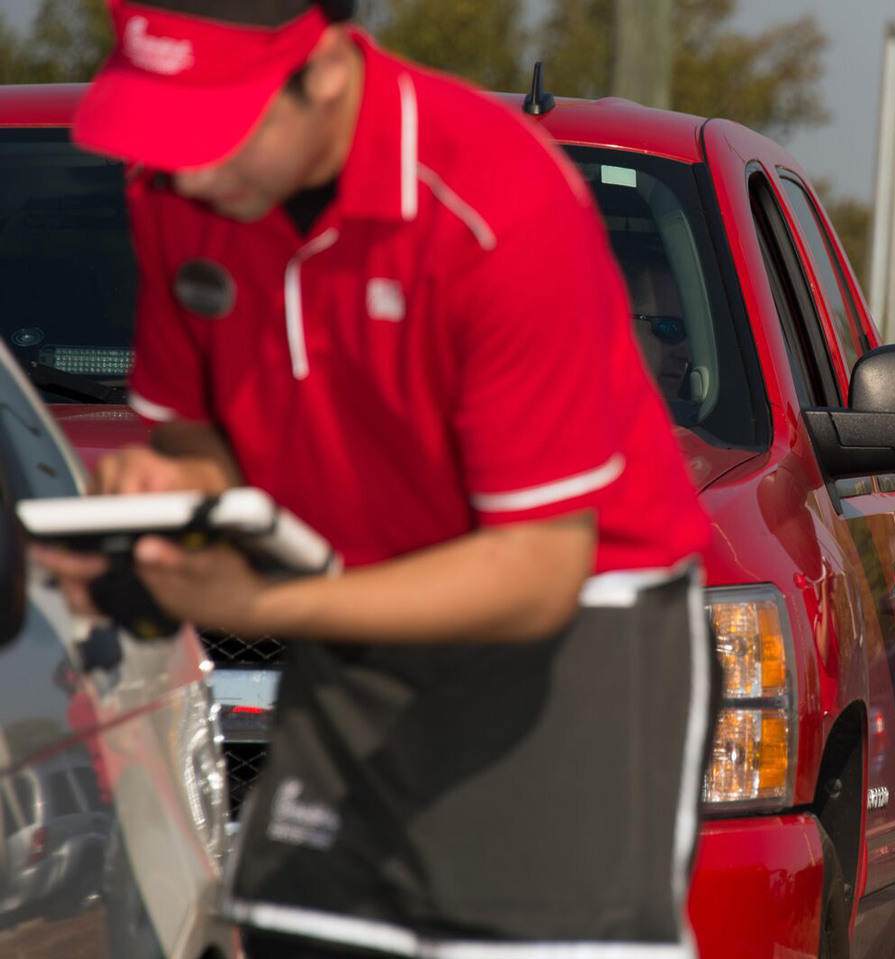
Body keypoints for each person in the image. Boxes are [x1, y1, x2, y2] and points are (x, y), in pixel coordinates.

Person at [42, 1, 715, 956]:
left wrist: (263, 596)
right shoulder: (177, 192)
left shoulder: (499, 205)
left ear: (321, 69)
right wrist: (167, 495)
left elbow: (536, 571)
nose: (184, 167)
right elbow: (196, 434)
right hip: (362, 603)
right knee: (299, 932)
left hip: (572, 633)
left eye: (210, 128)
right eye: (161, 127)